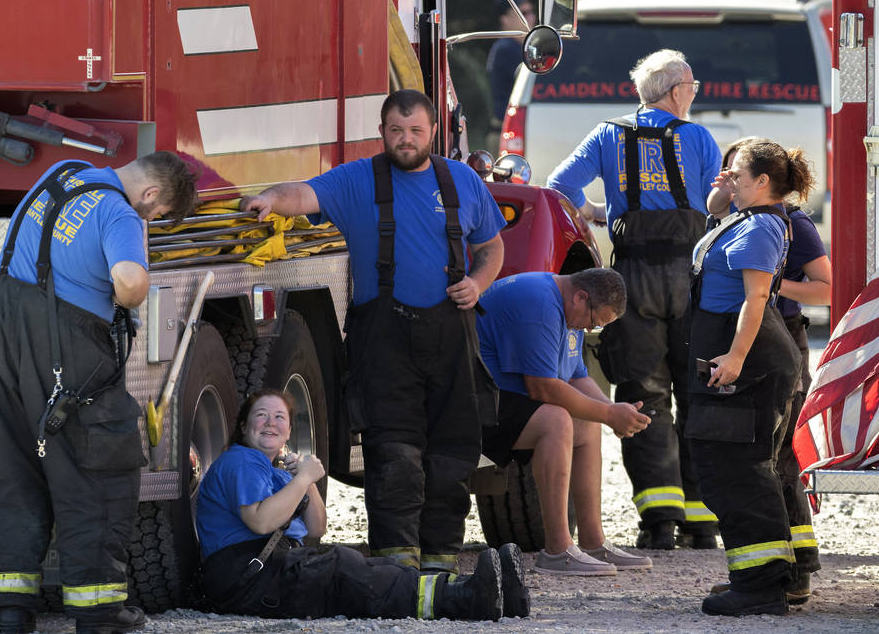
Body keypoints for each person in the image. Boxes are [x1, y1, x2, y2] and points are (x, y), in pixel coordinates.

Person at [239, 89, 505, 573]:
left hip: (452, 336)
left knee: (452, 453)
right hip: (384, 344)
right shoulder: (358, 179)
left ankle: (442, 560)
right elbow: (304, 194)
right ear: (382, 132)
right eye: (397, 131)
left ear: (432, 133)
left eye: (416, 131)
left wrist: (478, 282)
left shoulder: (461, 180)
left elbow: (491, 247)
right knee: (393, 452)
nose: (406, 140)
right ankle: (396, 565)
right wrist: (270, 199)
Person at [0, 152, 199, 634]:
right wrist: (135, 291)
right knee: (99, 472)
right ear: (151, 195)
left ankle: (11, 608)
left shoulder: (63, 173)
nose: (147, 219)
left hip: (0, 333)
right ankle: (99, 611)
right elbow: (130, 282)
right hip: (66, 343)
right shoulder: (120, 211)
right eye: (153, 214)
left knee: (10, 467)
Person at [546, 49, 722, 551]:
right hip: (690, 277)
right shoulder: (698, 137)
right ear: (674, 91)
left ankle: (657, 522)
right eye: (692, 84)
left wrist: (600, 212)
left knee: (641, 392)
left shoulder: (608, 134)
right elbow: (713, 207)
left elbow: (559, 187)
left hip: (631, 281)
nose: (695, 91)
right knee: (699, 393)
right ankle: (703, 523)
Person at [196, 389, 529, 620]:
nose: (270, 422)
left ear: (287, 434)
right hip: (247, 579)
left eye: (279, 417)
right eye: (261, 416)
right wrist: (302, 480)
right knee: (344, 569)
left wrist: (306, 480)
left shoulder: (276, 472)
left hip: (271, 571)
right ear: (243, 427)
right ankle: (466, 600)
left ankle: (490, 592)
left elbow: (317, 527)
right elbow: (260, 522)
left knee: (378, 568)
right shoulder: (241, 461)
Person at [687, 140, 812, 617]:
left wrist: (736, 359)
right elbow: (712, 212)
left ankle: (760, 587)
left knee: (737, 470)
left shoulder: (761, 226)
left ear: (763, 182)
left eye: (737, 174)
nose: (728, 179)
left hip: (749, 364)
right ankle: (774, 578)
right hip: (738, 359)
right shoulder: (744, 216)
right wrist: (725, 191)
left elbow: (755, 299)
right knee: (742, 467)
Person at [478, 268, 654, 576]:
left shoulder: (569, 306)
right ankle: (557, 551)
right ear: (582, 297)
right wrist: (610, 414)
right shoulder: (540, 302)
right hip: (470, 399)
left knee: (587, 424)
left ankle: (592, 542)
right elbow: (542, 387)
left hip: (503, 396)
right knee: (557, 420)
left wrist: (613, 411)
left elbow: (576, 377)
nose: (588, 329)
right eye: (593, 322)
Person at [486, 0, 536, 128]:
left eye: (531, 11)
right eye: (523, 13)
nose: (531, 17)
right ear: (505, 20)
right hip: (507, 129)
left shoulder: (517, 47)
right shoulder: (506, 48)